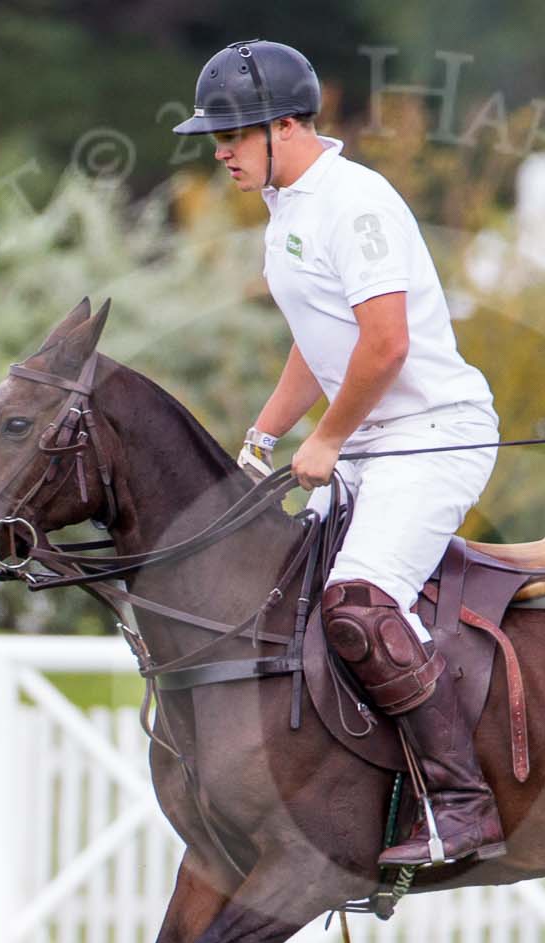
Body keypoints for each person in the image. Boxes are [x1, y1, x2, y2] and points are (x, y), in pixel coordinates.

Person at [174, 39, 505, 868]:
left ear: (285, 127)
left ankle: (462, 806)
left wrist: (324, 438)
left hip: (432, 434)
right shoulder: (288, 208)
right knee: (279, 600)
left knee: (356, 605)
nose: (219, 151)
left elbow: (385, 344)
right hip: (365, 444)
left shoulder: (354, 204)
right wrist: (262, 437)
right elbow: (319, 340)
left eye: (233, 135)